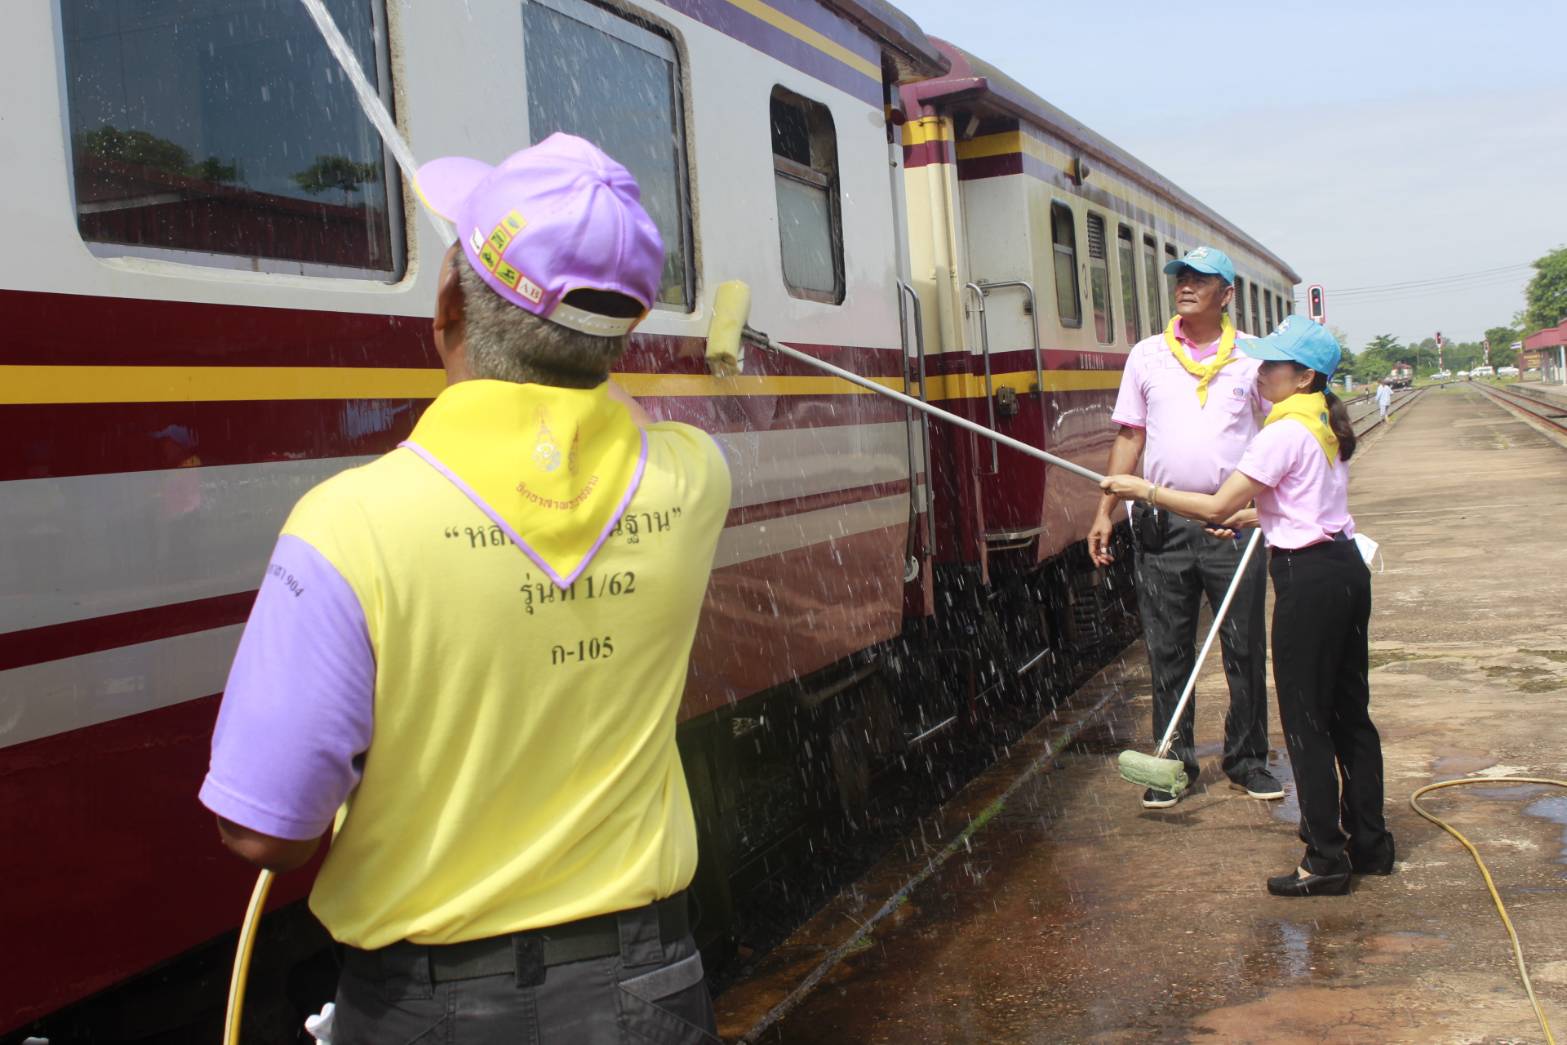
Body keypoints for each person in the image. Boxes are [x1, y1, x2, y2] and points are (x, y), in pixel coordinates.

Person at [199, 134, 731, 1042]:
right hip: (647, 993)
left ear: (447, 301)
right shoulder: (692, 479)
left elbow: (266, 835)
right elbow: (602, 424)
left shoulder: (347, 524)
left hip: (431, 1009)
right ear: (623, 331)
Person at [1101, 316, 1395, 896]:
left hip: (1307, 581)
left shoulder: (1281, 431)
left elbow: (1212, 506)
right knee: (1349, 716)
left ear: (1303, 374)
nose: (1259, 372)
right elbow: (1308, 500)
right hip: (1343, 570)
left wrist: (1143, 491)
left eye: (1272, 365)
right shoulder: (1321, 420)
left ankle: (1323, 860)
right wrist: (1257, 515)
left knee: (1307, 724)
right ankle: (1371, 845)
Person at [1087, 246, 1283, 809]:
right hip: (1161, 526)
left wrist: (1261, 510)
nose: (1186, 285)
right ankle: (1172, 762)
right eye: (1181, 277)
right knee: (1167, 648)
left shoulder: (1253, 358)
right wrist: (1105, 512)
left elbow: (1276, 436)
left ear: (1228, 292)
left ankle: (1247, 761)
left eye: (1201, 279)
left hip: (1232, 525)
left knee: (1244, 647)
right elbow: (1131, 436)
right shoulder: (1148, 356)